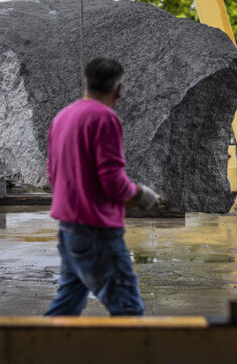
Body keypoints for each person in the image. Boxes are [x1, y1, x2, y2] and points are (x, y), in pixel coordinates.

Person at [44, 57, 160, 316]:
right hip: (97, 233)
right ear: (118, 90)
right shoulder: (105, 119)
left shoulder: (62, 118)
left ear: (84, 82)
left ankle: (32, 353)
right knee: (128, 310)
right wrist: (141, 194)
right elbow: (111, 181)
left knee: (67, 305)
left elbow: (52, 173)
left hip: (69, 230)